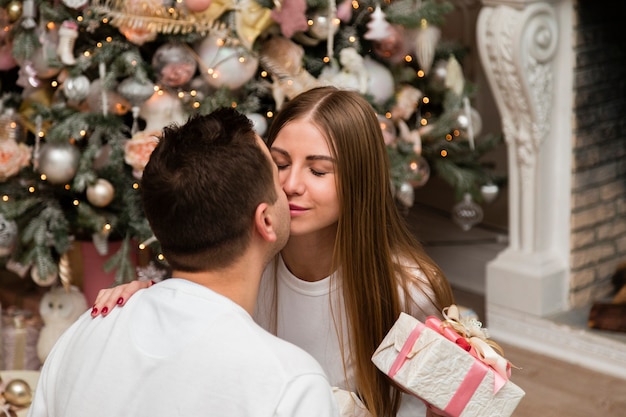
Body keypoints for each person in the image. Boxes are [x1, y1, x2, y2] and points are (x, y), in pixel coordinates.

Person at [92, 87, 456, 417]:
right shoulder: (245, 263)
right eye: (280, 164)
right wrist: (142, 303)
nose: (292, 185)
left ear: (360, 182)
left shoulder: (409, 289)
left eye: (318, 171)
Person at [28, 108, 339, 417]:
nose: (290, 187)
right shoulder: (291, 384)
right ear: (266, 220)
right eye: (278, 169)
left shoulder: (85, 332)